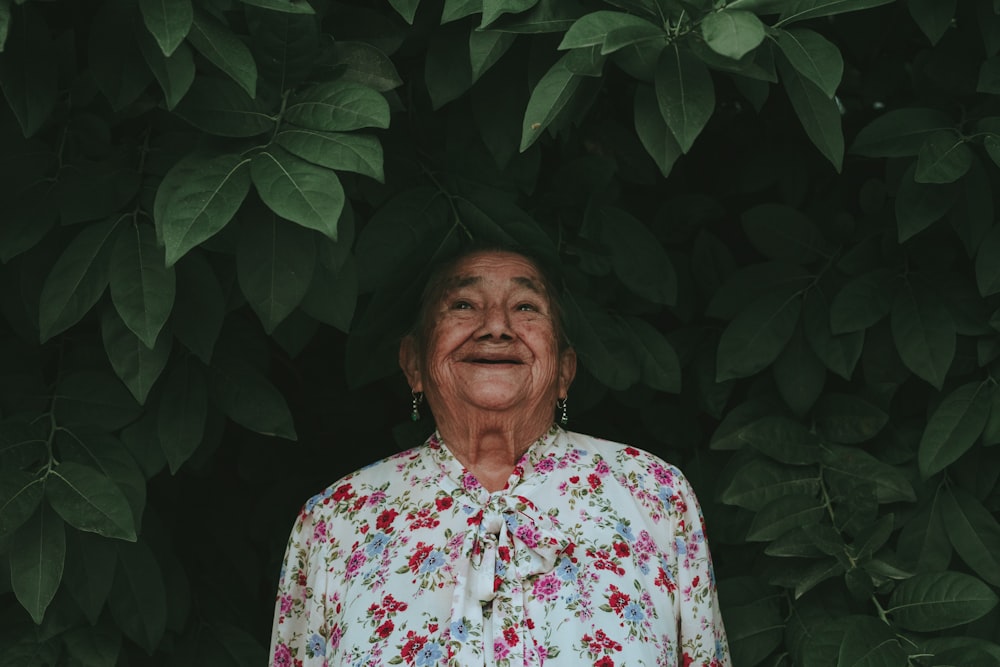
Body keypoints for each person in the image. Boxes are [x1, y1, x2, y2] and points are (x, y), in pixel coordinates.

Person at [269, 247, 731, 667]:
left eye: (526, 307)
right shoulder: (339, 518)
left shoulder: (653, 493)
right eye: (463, 305)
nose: (495, 325)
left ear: (565, 371)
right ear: (413, 363)